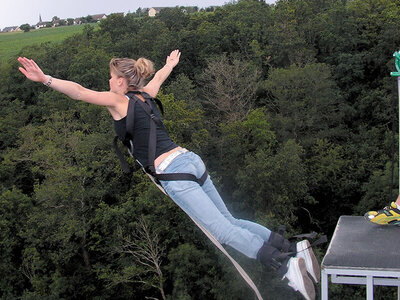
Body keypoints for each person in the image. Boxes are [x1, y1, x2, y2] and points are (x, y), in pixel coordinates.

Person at [18, 50, 320, 300]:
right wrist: (169, 65)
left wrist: (45, 79)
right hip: (191, 162)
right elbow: (159, 77)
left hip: (174, 173)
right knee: (231, 221)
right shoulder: (145, 95)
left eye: (112, 77)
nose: (108, 82)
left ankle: (285, 267)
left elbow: (80, 93)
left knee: (223, 231)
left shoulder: (119, 101)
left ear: (122, 82)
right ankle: (292, 249)